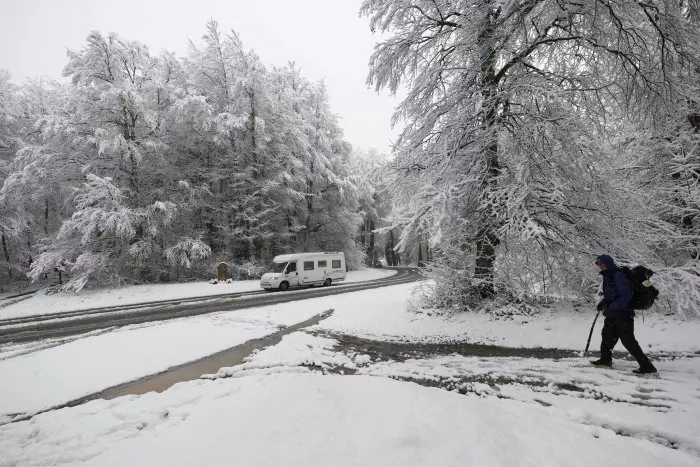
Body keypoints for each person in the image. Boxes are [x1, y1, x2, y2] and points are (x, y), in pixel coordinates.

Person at [590, 255, 658, 375]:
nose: (599, 266)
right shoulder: (607, 276)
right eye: (598, 264)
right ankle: (605, 360)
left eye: (601, 263)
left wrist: (612, 308)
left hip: (624, 313)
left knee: (628, 340)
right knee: (607, 336)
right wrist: (604, 302)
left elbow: (626, 296)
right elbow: (611, 295)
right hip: (613, 313)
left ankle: (647, 367)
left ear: (607, 263)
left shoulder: (618, 275)